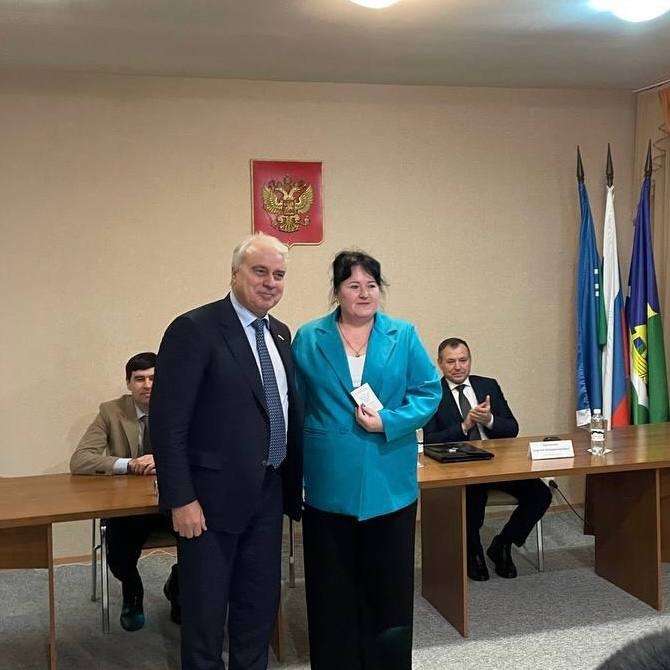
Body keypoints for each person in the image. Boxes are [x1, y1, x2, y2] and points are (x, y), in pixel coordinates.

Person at [150, 232, 303, 670]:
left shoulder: (280, 334)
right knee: (205, 611)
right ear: (235, 274)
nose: (270, 282)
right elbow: (168, 423)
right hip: (208, 502)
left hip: (268, 491)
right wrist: (181, 498)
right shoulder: (194, 329)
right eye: (260, 271)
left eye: (279, 275)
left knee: (258, 605)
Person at [292, 250, 441, 670]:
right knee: (330, 587)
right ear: (337, 291)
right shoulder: (309, 337)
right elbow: (295, 404)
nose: (364, 294)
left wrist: (389, 421)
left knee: (388, 587)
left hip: (389, 478)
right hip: (327, 480)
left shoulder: (403, 334)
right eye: (353, 285)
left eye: (371, 285)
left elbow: (429, 392)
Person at [423, 337, 551, 581]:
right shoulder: (432, 393)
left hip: (497, 464)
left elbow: (512, 428)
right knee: (471, 501)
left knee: (540, 494)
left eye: (463, 360)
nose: (458, 367)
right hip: (461, 469)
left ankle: (503, 543)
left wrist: (489, 420)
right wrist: (464, 426)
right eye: (451, 361)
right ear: (440, 363)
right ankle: (473, 552)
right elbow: (429, 440)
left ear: (470, 360)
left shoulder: (487, 385)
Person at [70, 352, 179, 632]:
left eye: (154, 378)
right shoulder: (111, 412)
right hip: (128, 507)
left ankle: (178, 587)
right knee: (118, 548)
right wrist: (129, 464)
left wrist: (163, 460)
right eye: (139, 379)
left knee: (203, 538)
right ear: (128, 383)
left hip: (173, 500)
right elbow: (81, 460)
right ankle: (132, 589)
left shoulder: (180, 407)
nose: (147, 385)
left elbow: (203, 451)